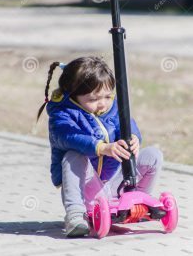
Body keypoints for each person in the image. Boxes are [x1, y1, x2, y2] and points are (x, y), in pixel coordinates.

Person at [37, 56, 163, 238]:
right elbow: (65, 137)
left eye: (107, 96)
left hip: (116, 183)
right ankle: (75, 215)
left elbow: (126, 123)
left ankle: (135, 202)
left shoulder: (111, 107)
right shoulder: (62, 114)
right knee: (72, 156)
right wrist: (101, 147)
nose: (103, 103)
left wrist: (133, 137)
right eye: (93, 99)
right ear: (73, 95)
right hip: (88, 187)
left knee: (154, 155)